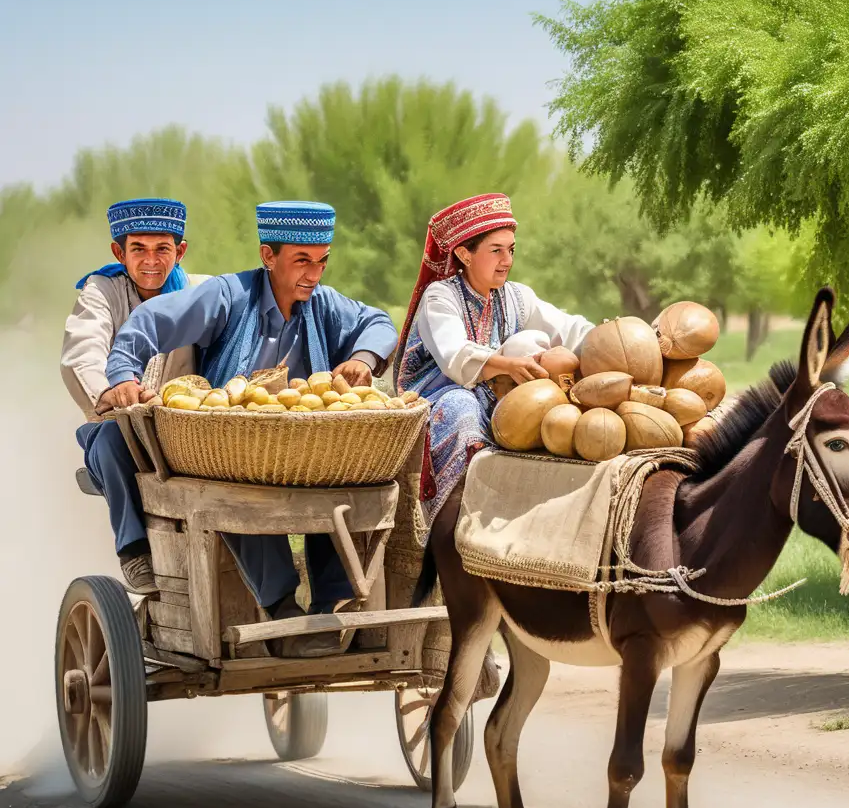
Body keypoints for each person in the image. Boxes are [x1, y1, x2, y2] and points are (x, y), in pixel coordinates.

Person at [105, 201, 399, 656]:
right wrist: (123, 373)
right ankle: (280, 607)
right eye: (302, 261)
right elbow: (150, 321)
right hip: (231, 444)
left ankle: (335, 604)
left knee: (346, 481)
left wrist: (363, 358)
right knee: (238, 487)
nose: (314, 274)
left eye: (322, 261)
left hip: (302, 445)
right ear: (268, 256)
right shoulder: (227, 295)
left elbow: (377, 321)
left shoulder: (322, 304)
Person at [395, 192, 594, 538]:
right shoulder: (441, 296)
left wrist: (617, 338)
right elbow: (454, 356)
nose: (507, 260)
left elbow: (569, 327)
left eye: (511, 250)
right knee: (462, 407)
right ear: (463, 253)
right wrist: (508, 365)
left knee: (535, 354)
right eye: (496, 250)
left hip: (499, 395)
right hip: (438, 395)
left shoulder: (517, 297)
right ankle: (456, 525)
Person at [61, 198, 211, 593]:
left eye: (162, 249)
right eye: (138, 249)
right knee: (112, 439)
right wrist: (112, 389)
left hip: (185, 434)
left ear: (180, 251)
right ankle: (133, 551)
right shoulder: (101, 291)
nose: (151, 261)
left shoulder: (201, 291)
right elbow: (82, 350)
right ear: (119, 252)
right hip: (117, 428)